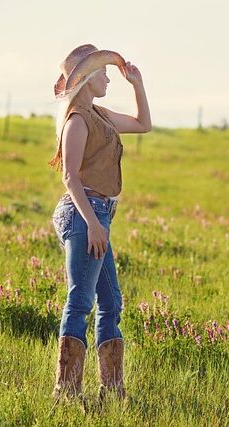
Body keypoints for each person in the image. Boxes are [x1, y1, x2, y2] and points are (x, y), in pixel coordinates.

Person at [48, 44, 151, 406]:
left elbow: (143, 124)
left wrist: (137, 84)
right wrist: (93, 224)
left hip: (98, 213)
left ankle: (112, 390)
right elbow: (70, 177)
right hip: (83, 213)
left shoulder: (99, 113)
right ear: (89, 79)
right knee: (80, 300)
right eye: (104, 72)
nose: (109, 77)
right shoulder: (77, 119)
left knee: (111, 301)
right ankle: (67, 392)